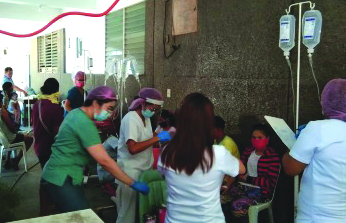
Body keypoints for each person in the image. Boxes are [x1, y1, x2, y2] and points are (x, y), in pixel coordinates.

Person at [41, 86, 150, 213]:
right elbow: (104, 161)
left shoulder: (76, 113)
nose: (109, 113)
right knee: (81, 218)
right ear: (95, 103)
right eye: (109, 109)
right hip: (62, 177)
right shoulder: (85, 124)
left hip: (53, 173)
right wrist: (132, 183)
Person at [158, 93, 245, 223]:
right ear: (208, 123)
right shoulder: (219, 154)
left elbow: (163, 175)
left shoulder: (167, 151)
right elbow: (241, 170)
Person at [282, 78, 346, 223]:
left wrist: (293, 144)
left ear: (326, 100)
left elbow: (290, 168)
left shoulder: (318, 129)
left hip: (316, 217)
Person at [116, 88, 171, 223]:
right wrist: (156, 139)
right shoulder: (131, 119)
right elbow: (133, 148)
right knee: (127, 215)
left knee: (140, 213)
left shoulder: (145, 119)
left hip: (144, 171)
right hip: (130, 171)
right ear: (142, 104)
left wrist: (164, 141)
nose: (154, 112)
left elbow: (147, 141)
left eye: (156, 110)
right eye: (153, 109)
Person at [221, 124, 280, 222]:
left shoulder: (272, 156)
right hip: (241, 187)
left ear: (267, 139)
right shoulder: (248, 151)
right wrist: (228, 183)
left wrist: (249, 179)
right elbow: (239, 170)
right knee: (219, 200)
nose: (256, 140)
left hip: (260, 192)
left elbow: (270, 183)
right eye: (254, 137)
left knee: (238, 207)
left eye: (260, 138)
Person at [0, 92, 33, 170]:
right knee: (30, 139)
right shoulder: (1, 111)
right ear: (1, 101)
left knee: (9, 134)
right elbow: (12, 129)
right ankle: (16, 160)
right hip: (7, 139)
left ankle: (8, 160)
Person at [32, 78, 64, 169]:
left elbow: (34, 123)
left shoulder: (37, 104)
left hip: (39, 146)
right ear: (57, 90)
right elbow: (58, 133)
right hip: (50, 148)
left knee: (46, 173)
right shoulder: (55, 108)